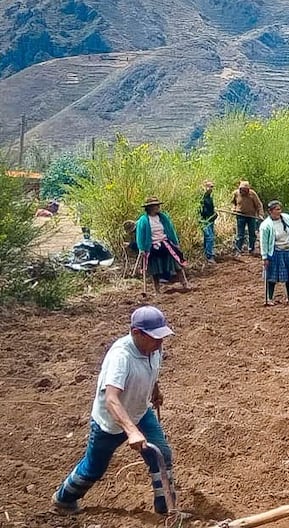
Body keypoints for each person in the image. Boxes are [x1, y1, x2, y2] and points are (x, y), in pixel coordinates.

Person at [52, 306, 177, 516]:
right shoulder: (121, 357)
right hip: (110, 422)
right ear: (136, 333)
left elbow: (152, 369)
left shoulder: (154, 348)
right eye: (155, 337)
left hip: (139, 412)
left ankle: (167, 510)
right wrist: (132, 431)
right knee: (95, 468)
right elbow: (111, 399)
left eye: (162, 336)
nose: (160, 342)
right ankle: (64, 499)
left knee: (162, 455)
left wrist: (155, 390)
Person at [135, 196, 189, 293]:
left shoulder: (163, 217)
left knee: (177, 264)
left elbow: (170, 230)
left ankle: (185, 284)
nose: (157, 207)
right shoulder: (143, 220)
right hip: (152, 246)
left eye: (157, 205)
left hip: (165, 243)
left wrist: (175, 243)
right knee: (155, 270)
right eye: (155, 205)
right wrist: (142, 248)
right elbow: (140, 235)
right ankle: (157, 290)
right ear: (150, 207)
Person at [259, 200, 289, 306]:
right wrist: (264, 257)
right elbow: (264, 242)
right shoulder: (266, 225)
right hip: (276, 253)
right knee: (272, 277)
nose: (279, 211)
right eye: (277, 209)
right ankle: (270, 298)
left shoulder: (287, 218)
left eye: (280, 209)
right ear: (270, 211)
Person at [231, 181, 264, 256]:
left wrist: (260, 214)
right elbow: (233, 202)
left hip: (251, 216)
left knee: (252, 233)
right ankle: (238, 250)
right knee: (240, 234)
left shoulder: (252, 194)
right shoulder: (236, 193)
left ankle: (251, 249)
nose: (243, 191)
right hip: (240, 215)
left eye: (245, 189)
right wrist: (233, 208)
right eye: (242, 189)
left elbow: (259, 205)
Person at [200, 180, 217, 264]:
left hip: (210, 220)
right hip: (203, 220)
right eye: (209, 186)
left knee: (208, 237)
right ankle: (209, 256)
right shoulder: (201, 198)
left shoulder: (210, 198)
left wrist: (214, 214)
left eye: (212, 187)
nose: (211, 189)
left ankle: (207, 254)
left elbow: (211, 209)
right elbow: (200, 211)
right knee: (209, 237)